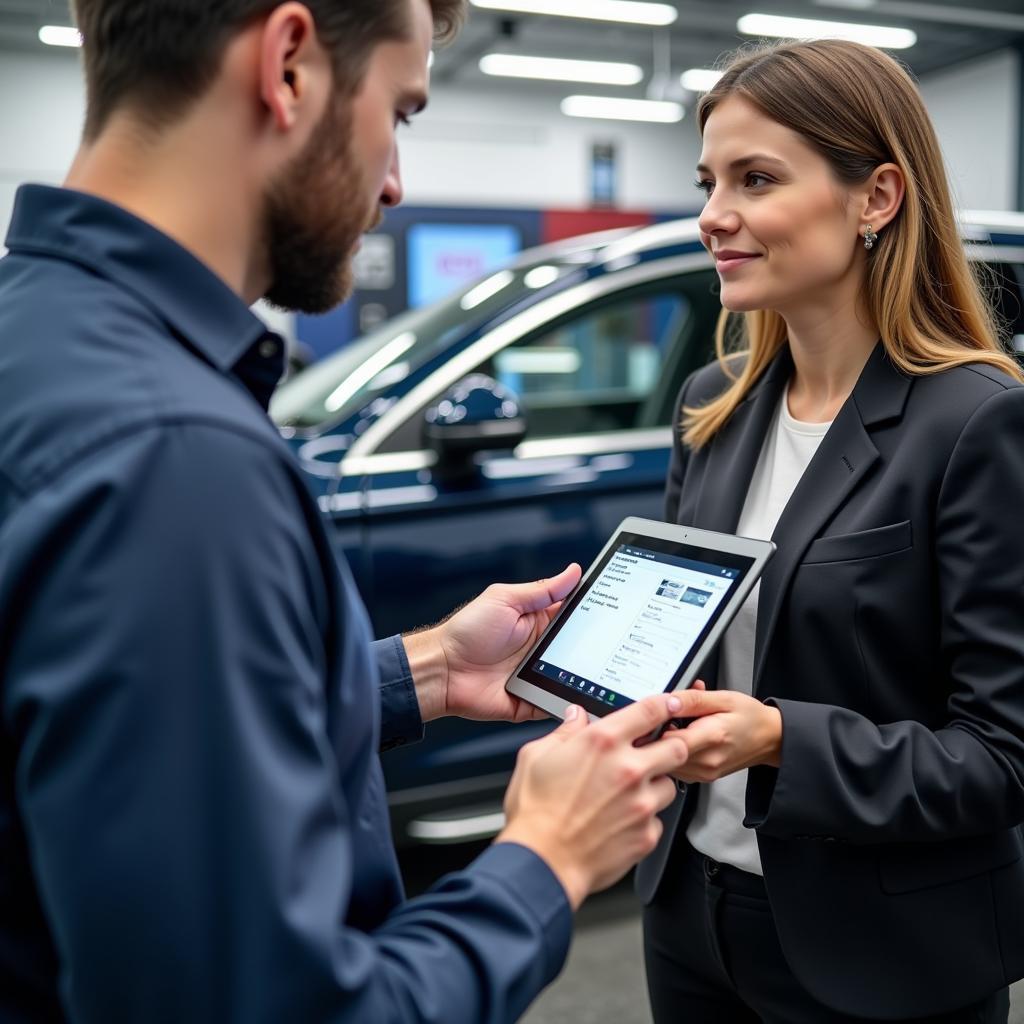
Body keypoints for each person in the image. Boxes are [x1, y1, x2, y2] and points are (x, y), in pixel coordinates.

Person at [0, 2, 693, 1021]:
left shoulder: (40, 338)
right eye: (401, 113)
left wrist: (426, 672)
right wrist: (543, 857)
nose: (396, 182)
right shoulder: (176, 460)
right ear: (287, 65)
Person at [635, 38, 1024, 1024]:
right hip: (690, 913)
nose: (711, 214)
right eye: (708, 180)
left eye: (755, 179)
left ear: (876, 198)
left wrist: (777, 740)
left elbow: (1001, 756)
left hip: (881, 956)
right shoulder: (710, 403)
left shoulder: (974, 421)